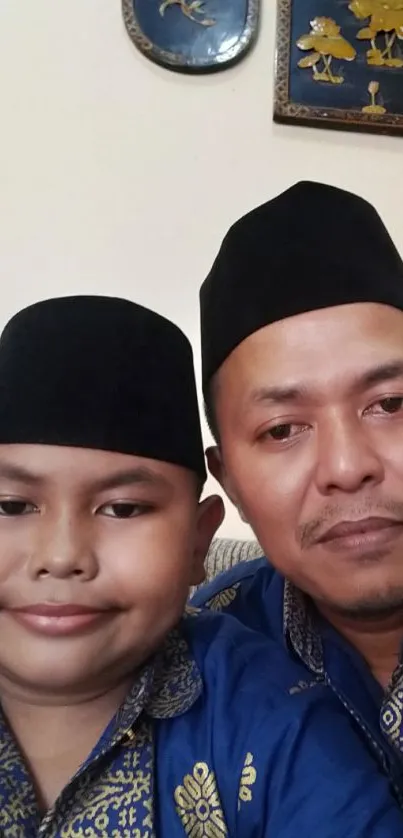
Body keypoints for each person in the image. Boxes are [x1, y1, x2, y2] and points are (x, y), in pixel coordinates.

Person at [0, 295, 403, 837]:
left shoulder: (271, 719)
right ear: (229, 479)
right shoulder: (239, 610)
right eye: (12, 506)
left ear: (198, 539)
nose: (61, 556)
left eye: (123, 508)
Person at [193, 180, 403, 805]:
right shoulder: (198, 662)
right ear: (227, 479)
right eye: (283, 429)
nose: (346, 466)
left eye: (391, 403)